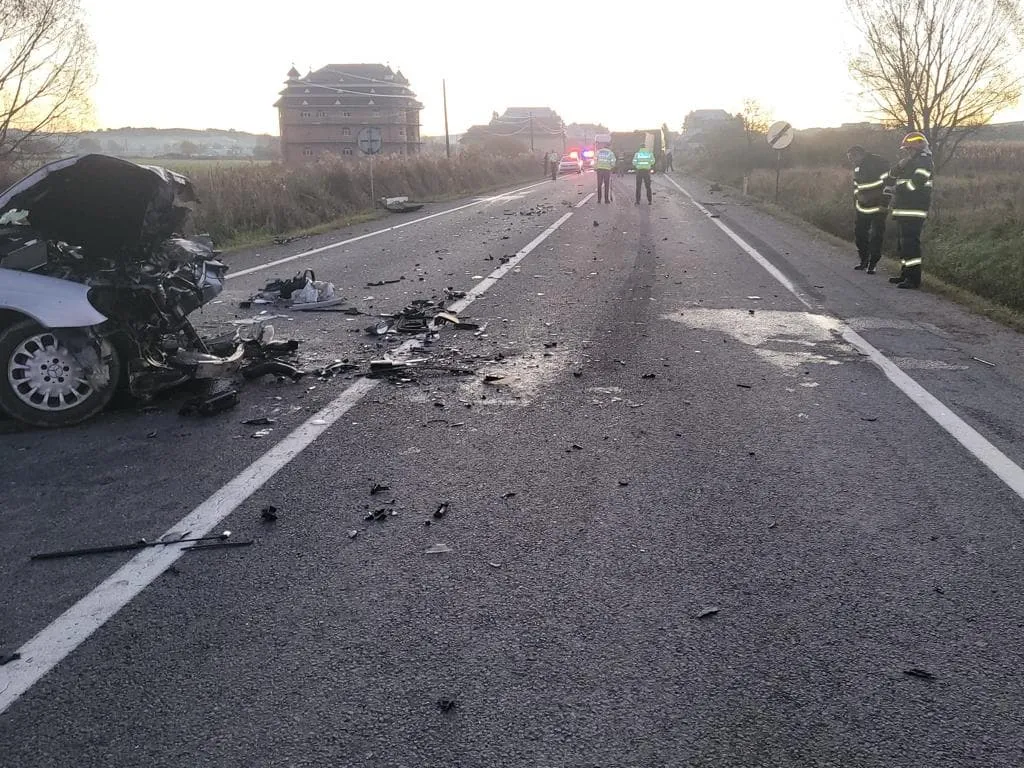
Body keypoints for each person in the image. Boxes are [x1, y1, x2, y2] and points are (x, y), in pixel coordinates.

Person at [884, 131, 934, 289]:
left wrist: (895, 189)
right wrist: (899, 166)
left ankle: (913, 279)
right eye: (906, 150)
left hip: (914, 209)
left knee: (911, 245)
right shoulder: (910, 162)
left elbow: (916, 184)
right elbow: (889, 177)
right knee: (903, 245)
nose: (907, 152)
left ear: (917, 148)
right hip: (903, 209)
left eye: (909, 149)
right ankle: (905, 274)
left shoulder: (924, 162)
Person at [846, 145, 891, 274]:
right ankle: (864, 260)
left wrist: (883, 203)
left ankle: (873, 263)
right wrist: (857, 198)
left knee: (876, 235)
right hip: (862, 206)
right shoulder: (857, 166)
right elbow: (856, 185)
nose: (851, 161)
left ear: (859, 154)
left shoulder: (879, 163)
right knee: (860, 233)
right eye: (849, 158)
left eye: (852, 157)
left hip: (878, 205)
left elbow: (888, 184)